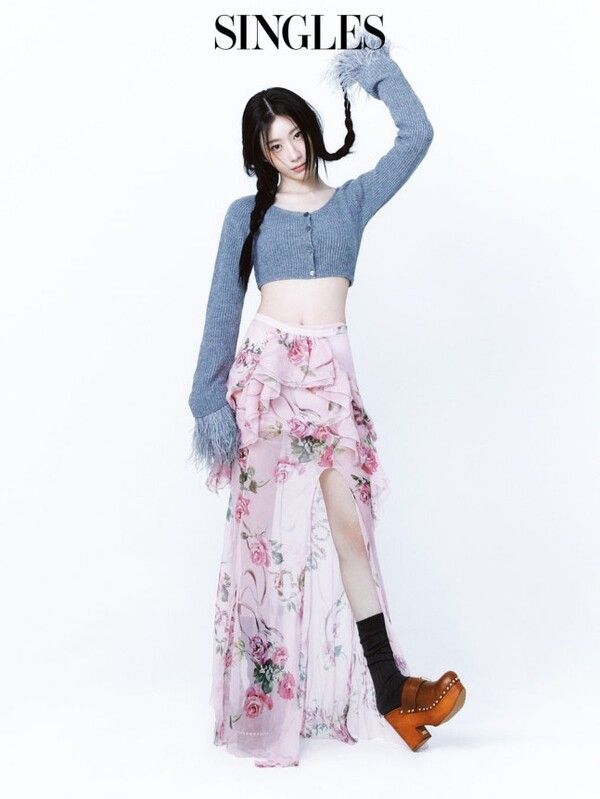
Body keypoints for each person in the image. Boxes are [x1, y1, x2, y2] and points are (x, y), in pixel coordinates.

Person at [187, 25, 466, 767]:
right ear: (260, 154)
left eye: (296, 135)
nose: (291, 152)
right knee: (264, 541)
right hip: (269, 377)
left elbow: (418, 135)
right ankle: (261, 712)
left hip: (331, 378)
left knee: (350, 526)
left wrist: (373, 71)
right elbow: (222, 307)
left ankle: (392, 692)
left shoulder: (352, 202)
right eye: (274, 145)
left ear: (310, 130)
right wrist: (207, 400)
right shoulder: (245, 216)